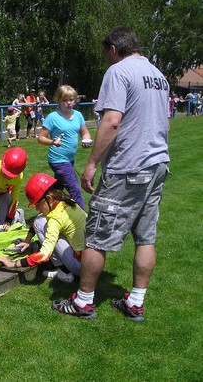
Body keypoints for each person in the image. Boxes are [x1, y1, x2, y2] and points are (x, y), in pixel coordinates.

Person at [52, 26, 170, 322]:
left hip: (127, 168)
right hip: (157, 165)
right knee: (145, 237)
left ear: (114, 49)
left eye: (106, 54)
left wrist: (92, 163)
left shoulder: (119, 72)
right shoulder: (159, 75)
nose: (106, 60)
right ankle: (136, 303)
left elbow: (112, 122)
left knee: (96, 236)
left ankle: (84, 301)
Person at [0, 173, 86, 283]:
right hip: (92, 261)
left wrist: (12, 264)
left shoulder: (55, 219)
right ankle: (65, 268)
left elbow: (44, 255)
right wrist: (27, 240)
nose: (37, 209)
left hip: (82, 267)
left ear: (48, 198)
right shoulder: (66, 201)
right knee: (40, 219)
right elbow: (39, 219)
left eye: (38, 205)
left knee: (40, 222)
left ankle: (65, 273)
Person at [37, 85, 92, 211]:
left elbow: (85, 132)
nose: (68, 103)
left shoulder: (78, 115)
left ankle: (43, 206)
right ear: (58, 100)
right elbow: (41, 138)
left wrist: (86, 140)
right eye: (65, 100)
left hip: (70, 159)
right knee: (74, 189)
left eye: (71, 100)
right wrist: (52, 142)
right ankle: (83, 220)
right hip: (58, 159)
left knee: (57, 188)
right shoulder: (52, 117)